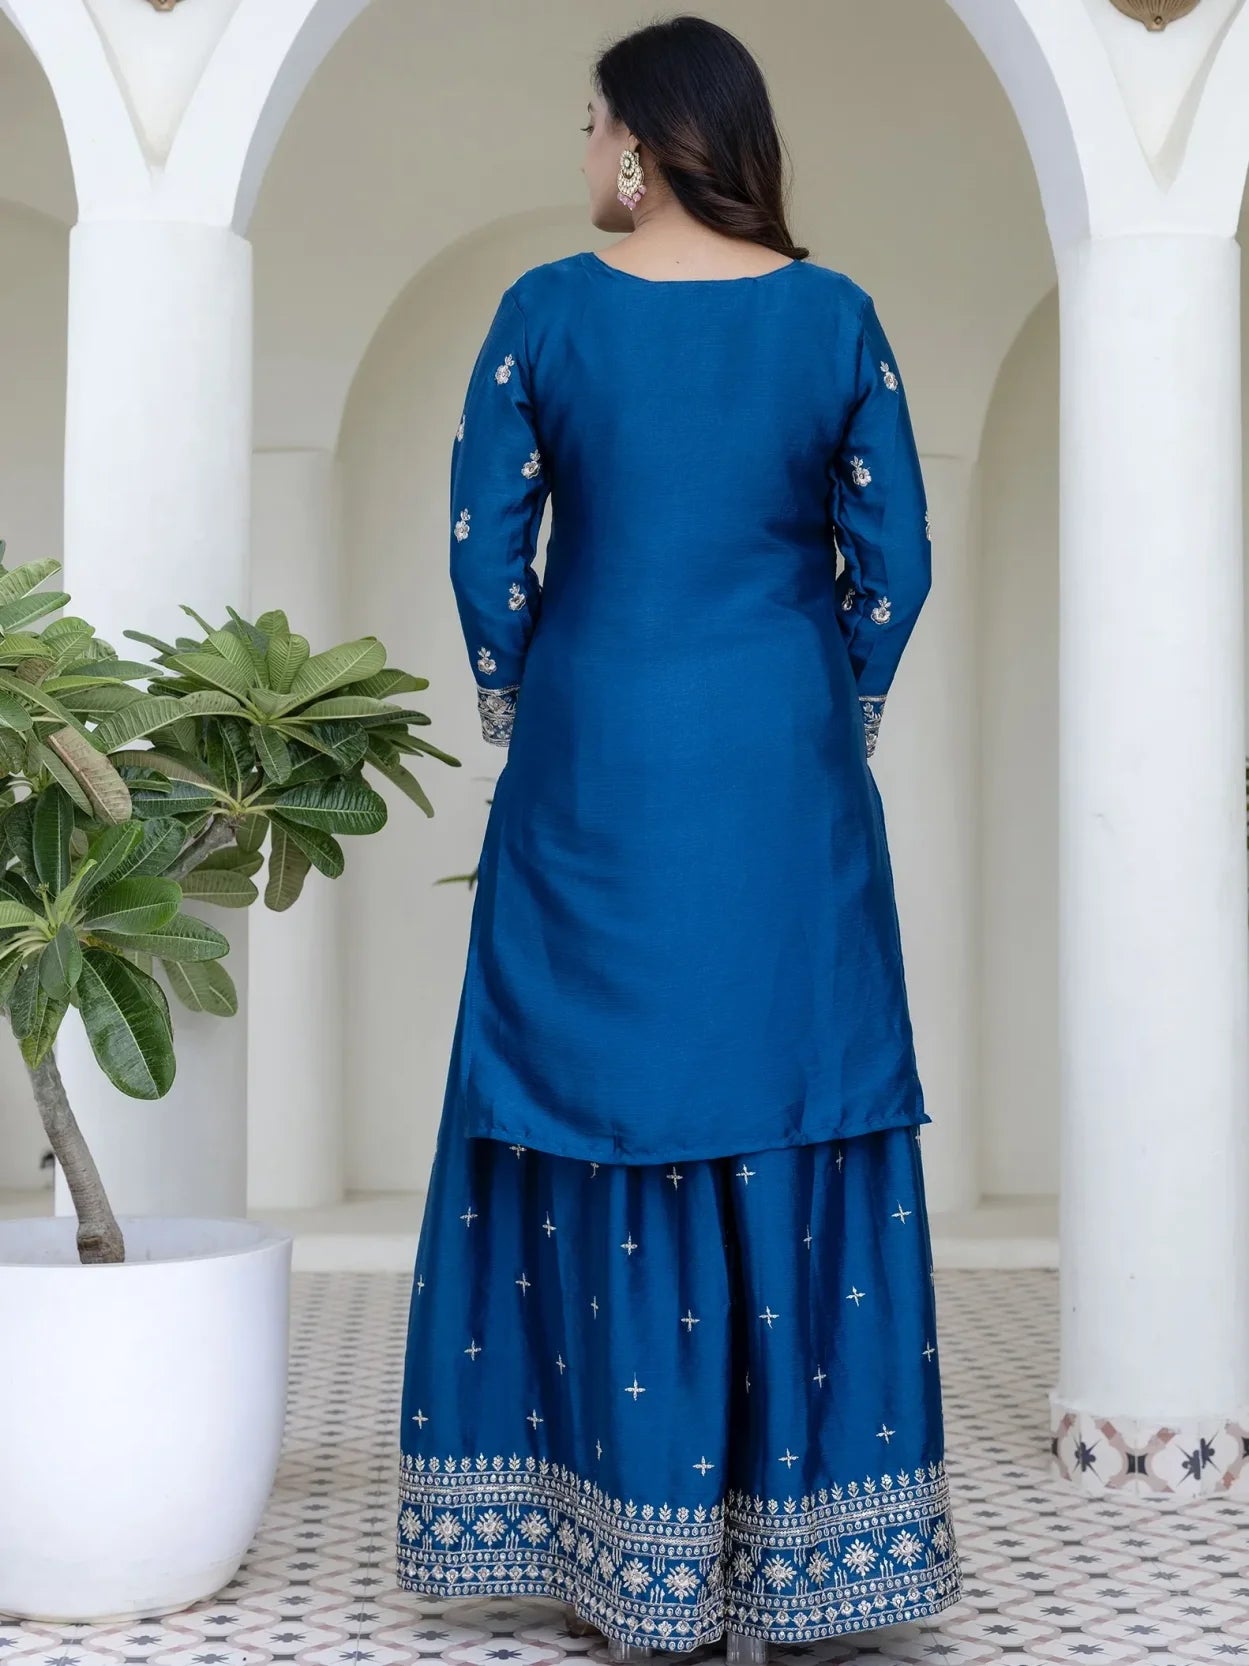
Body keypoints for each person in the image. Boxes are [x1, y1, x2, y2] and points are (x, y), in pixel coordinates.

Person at [395, 14, 962, 1659]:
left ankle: (617, 1553)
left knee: (594, 1085)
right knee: (794, 1082)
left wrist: (525, 691)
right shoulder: (832, 315)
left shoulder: (546, 311)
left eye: (588, 124)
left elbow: (484, 550)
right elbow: (897, 561)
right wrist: (828, 701)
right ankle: (811, 1564)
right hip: (782, 761)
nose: (579, 153)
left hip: (598, 753)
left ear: (640, 144)